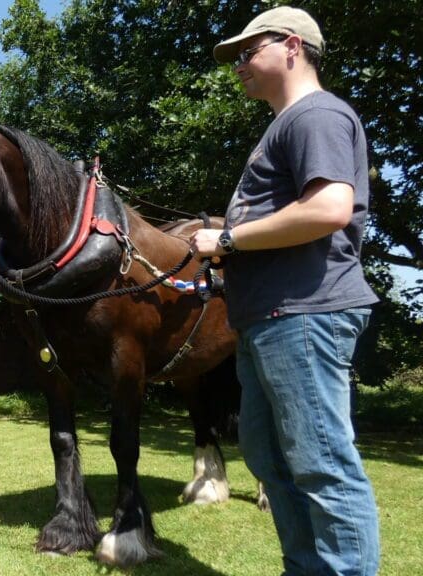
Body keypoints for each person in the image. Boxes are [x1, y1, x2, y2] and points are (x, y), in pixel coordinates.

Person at [190, 7, 380, 575]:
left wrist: (226, 236)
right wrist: (230, 256)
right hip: (269, 320)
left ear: (292, 46)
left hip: (302, 316)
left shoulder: (315, 114)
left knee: (322, 465)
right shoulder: (286, 124)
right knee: (271, 459)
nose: (239, 65)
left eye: (249, 52)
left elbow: (328, 208)